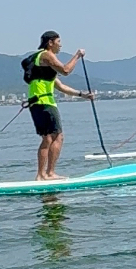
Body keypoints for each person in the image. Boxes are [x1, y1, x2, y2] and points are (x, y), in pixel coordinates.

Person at [26, 30, 95, 180]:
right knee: (57, 137)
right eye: (58, 42)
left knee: (47, 138)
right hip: (45, 103)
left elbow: (61, 86)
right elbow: (65, 70)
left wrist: (82, 95)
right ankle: (48, 173)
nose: (61, 46)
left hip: (37, 103)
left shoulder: (43, 66)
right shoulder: (46, 54)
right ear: (50, 43)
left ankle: (41, 175)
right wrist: (77, 55)